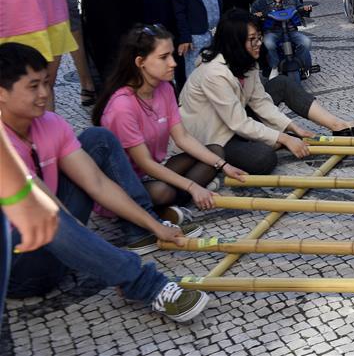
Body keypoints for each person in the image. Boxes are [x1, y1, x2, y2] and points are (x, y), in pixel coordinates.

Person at [0, 43, 211, 321]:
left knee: (97, 139)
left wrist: (154, 225)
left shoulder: (51, 123)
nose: (44, 94)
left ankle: (139, 230)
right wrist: (100, 256)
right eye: (33, 86)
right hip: (21, 269)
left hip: (61, 245)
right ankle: (143, 284)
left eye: (46, 83)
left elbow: (97, 183)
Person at [178, 9, 354, 175]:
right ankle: (262, 140)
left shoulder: (245, 60)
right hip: (214, 135)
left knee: (282, 83)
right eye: (252, 39)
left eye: (259, 37)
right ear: (235, 43)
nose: (259, 43)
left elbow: (260, 101)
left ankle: (338, 126)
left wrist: (295, 129)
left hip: (237, 118)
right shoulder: (214, 73)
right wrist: (284, 138)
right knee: (263, 159)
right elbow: (238, 123)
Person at [95, 24, 247, 217]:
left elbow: (182, 137)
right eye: (163, 57)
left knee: (215, 153)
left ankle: (173, 202)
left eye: (172, 55)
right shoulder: (122, 106)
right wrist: (192, 186)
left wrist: (224, 166)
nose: (173, 63)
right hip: (121, 187)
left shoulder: (164, 88)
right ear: (140, 62)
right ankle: (167, 204)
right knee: (163, 191)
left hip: (148, 174)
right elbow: (145, 163)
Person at [0, 122, 59, 319]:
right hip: (16, 267)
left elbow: (95, 181)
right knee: (51, 213)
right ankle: (136, 279)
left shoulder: (51, 124)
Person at [251, 0, 313, 74]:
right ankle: (274, 66)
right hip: (272, 32)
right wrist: (257, 15)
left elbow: (299, 8)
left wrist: (304, 9)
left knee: (306, 42)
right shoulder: (261, 2)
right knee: (269, 43)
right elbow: (253, 14)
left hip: (291, 31)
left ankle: (302, 64)